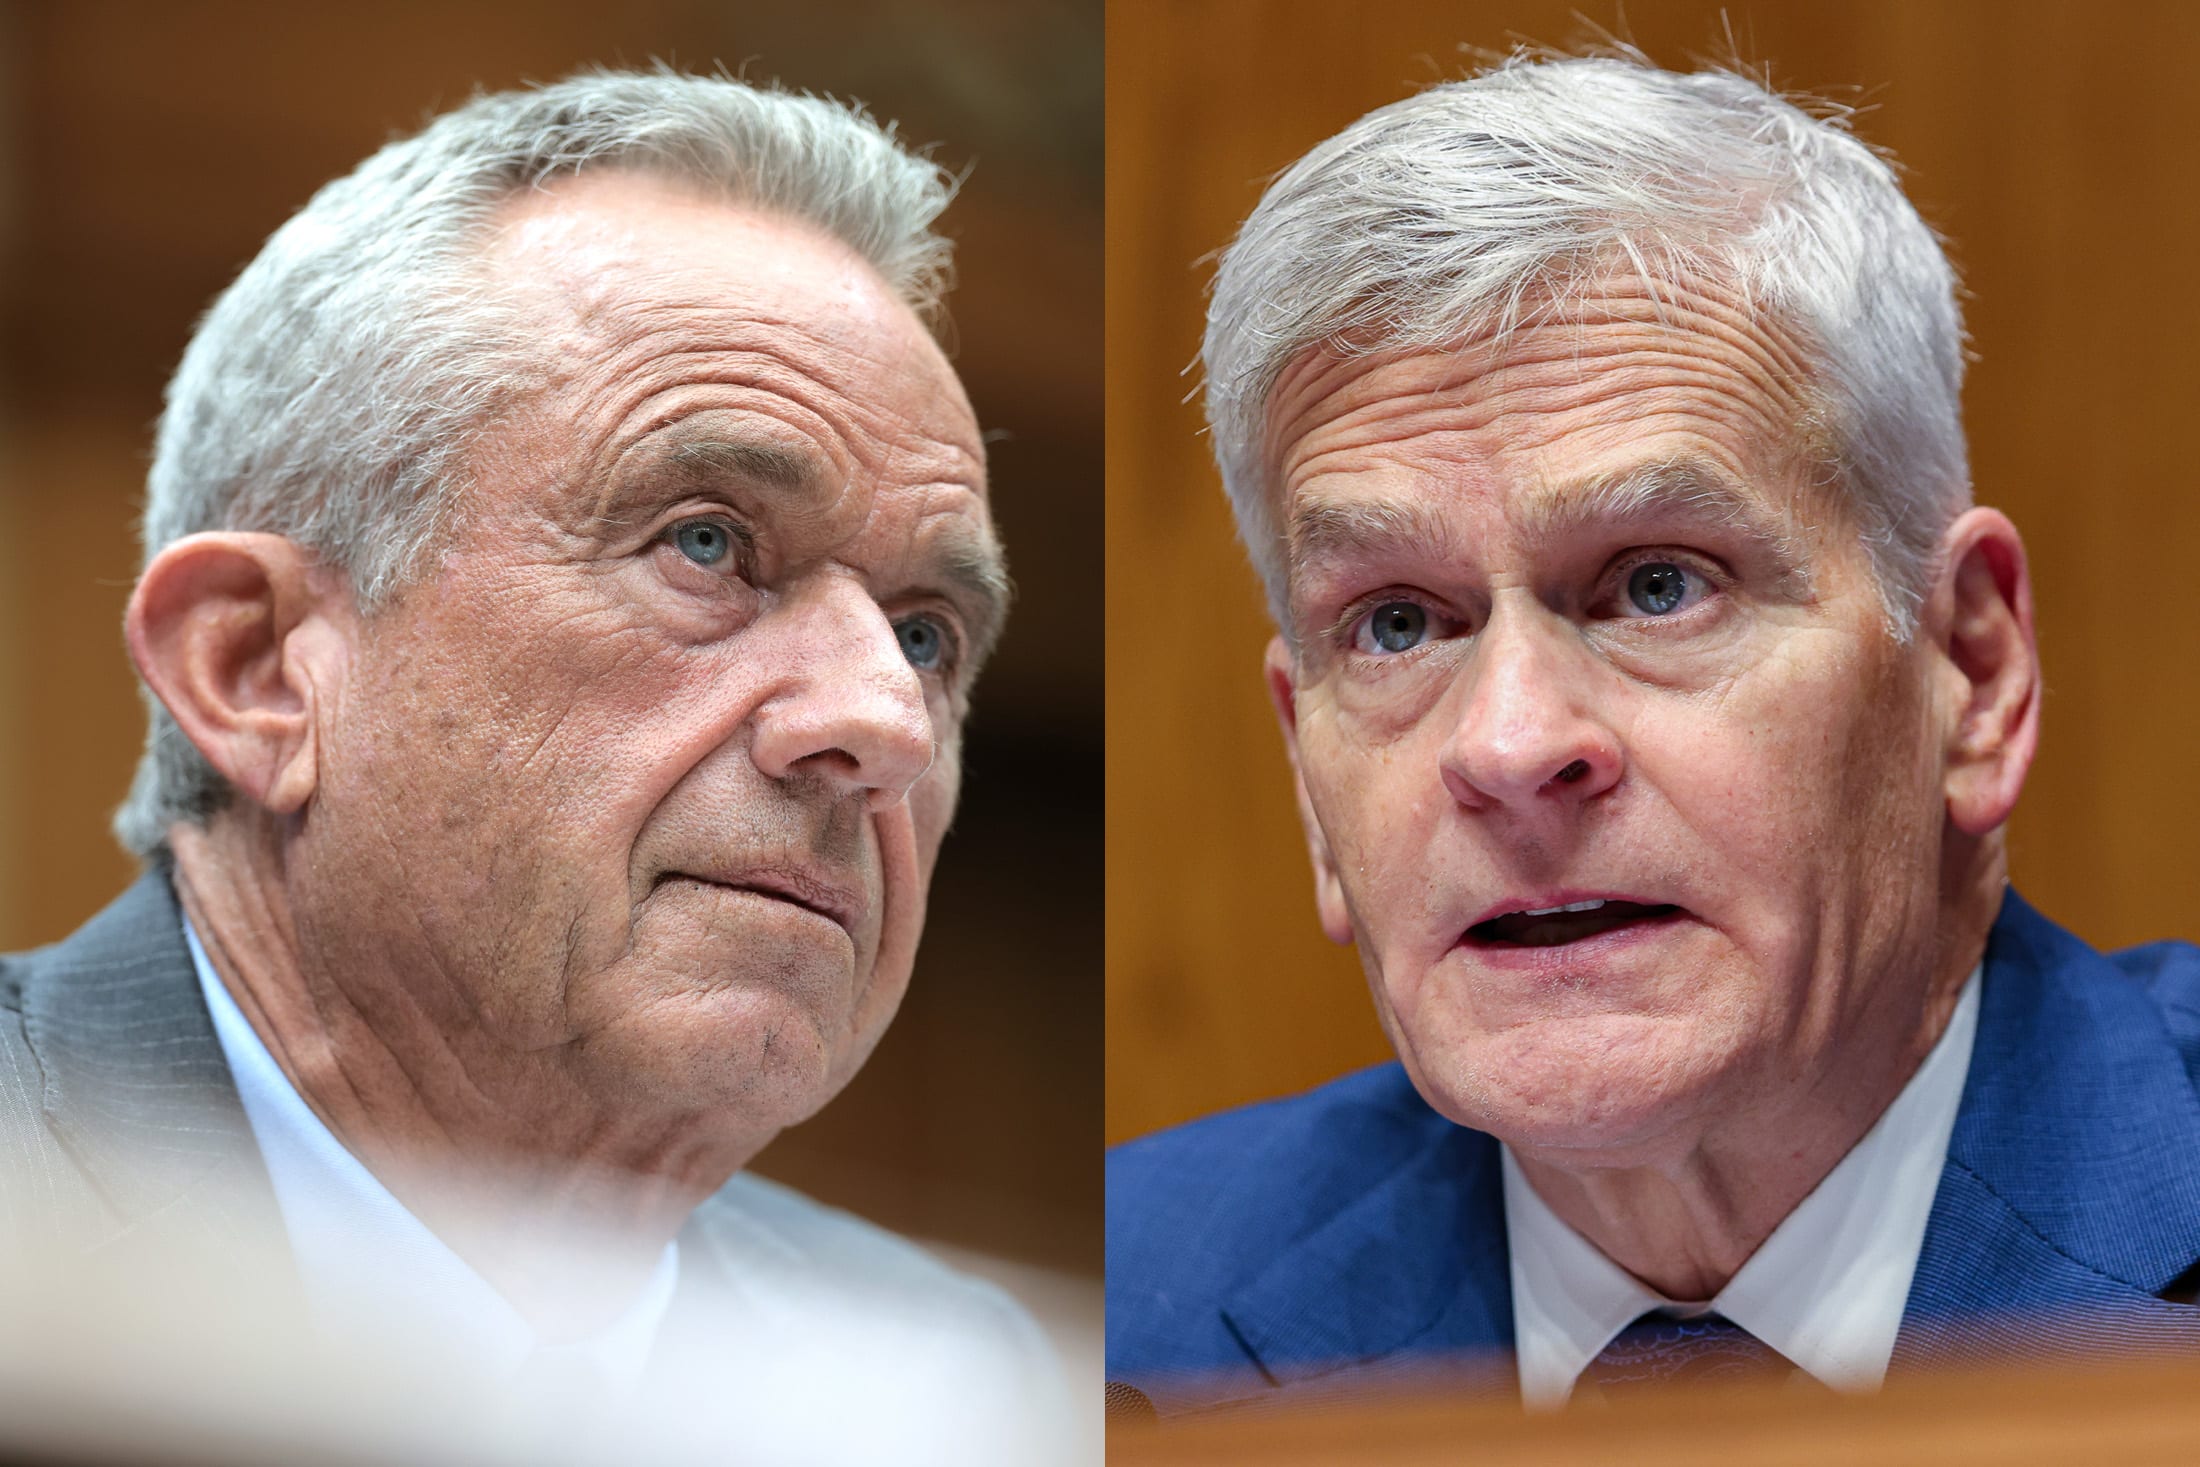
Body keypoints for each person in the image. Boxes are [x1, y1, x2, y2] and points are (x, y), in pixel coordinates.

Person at [1105, 52, 2200, 1416]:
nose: (1509, 746)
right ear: (1305, 774)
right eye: (1396, 625)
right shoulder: (1113, 1328)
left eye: (1659, 587)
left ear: (1972, 671)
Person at [0, 69, 1062, 1462]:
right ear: (255, 669)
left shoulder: (946, 1387)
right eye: (706, 545)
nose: (886, 720)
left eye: (926, 637)